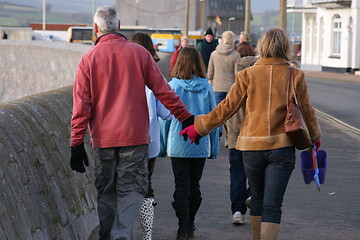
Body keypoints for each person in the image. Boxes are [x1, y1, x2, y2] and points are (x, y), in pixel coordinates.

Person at [180, 27, 321, 240]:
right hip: (282, 147)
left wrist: (199, 127)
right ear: (285, 47)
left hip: (251, 148)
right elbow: (308, 112)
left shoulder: (247, 74)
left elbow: (226, 108)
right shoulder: (295, 75)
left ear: (262, 46)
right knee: (273, 205)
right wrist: (315, 139)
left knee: (257, 199)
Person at [70, 6, 194, 240]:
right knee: (130, 191)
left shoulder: (88, 60)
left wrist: (76, 143)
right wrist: (185, 117)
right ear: (119, 24)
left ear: (96, 28)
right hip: (135, 138)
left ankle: (109, 236)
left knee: (106, 192)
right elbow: (163, 91)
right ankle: (122, 236)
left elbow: (81, 106)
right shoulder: (140, 54)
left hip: (103, 139)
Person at [159, 47, 219, 240]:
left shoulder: (172, 86)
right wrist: (214, 149)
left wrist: (162, 147)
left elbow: (165, 119)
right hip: (200, 143)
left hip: (178, 143)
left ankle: (182, 227)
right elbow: (214, 120)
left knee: (181, 186)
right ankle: (191, 222)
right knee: (195, 185)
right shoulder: (207, 87)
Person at [130, 32, 173, 240]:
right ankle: (146, 235)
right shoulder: (156, 75)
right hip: (149, 141)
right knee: (146, 185)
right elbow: (166, 113)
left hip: (123, 139)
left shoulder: (121, 72)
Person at [227, 55, 258, 225]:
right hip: (253, 138)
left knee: (237, 175)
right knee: (256, 173)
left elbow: (225, 113)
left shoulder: (234, 88)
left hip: (235, 138)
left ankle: (237, 211)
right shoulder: (258, 89)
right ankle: (252, 195)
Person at [207, 30, 240, 136]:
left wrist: (211, 81)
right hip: (231, 87)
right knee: (230, 113)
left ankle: (218, 130)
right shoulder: (236, 55)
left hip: (217, 86)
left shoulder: (214, 54)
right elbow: (237, 73)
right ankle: (229, 134)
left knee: (218, 112)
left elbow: (210, 72)